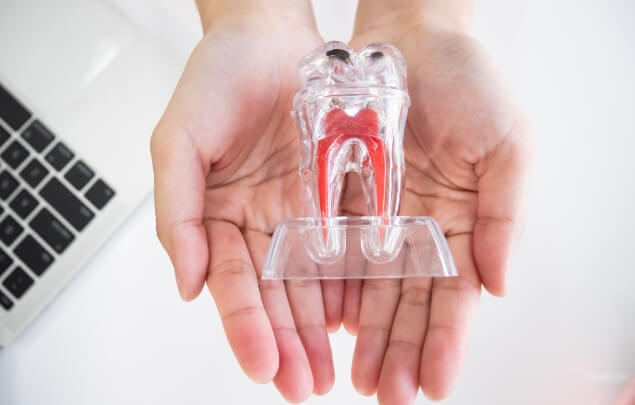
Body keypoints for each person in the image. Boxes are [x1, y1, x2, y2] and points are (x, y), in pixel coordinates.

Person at [150, 0, 534, 403]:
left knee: (374, 180)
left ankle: (362, 233)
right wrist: (251, 15)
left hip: (363, 108)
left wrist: (420, 17)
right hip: (329, 107)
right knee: (335, 184)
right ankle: (342, 234)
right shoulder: (323, 97)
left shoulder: (375, 95)